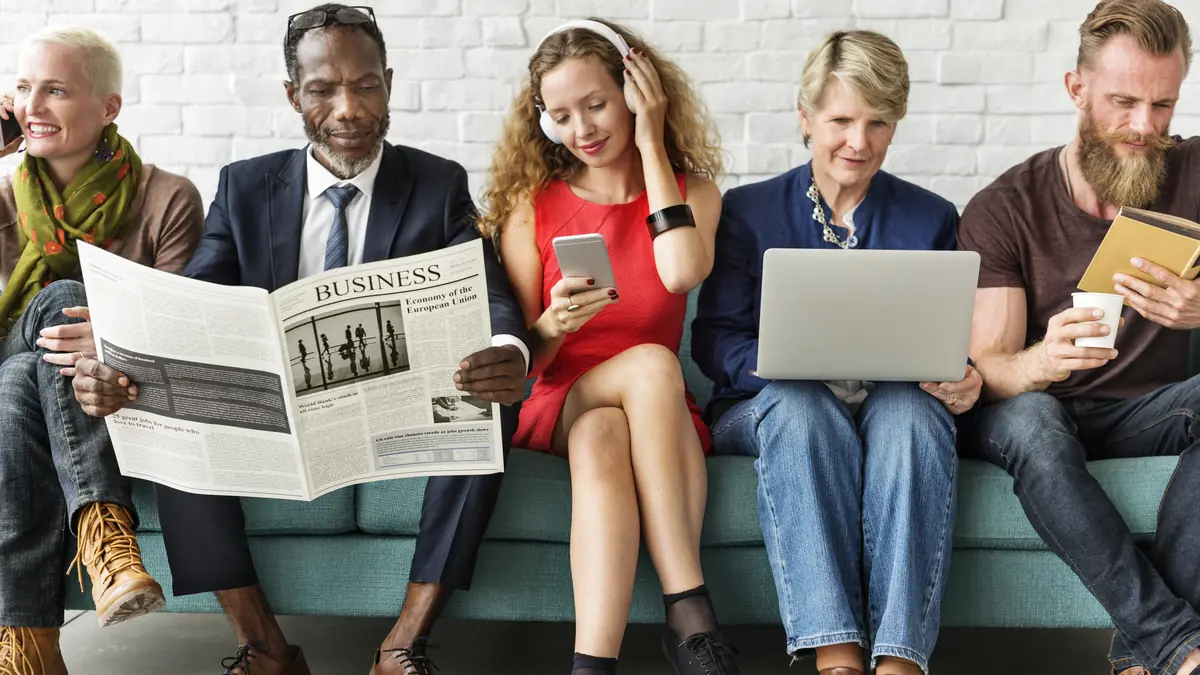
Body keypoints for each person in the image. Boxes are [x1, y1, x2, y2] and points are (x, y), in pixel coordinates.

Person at [69, 5, 530, 675]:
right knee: (179, 410)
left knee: (490, 402)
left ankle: (403, 642)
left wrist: (509, 352)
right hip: (276, 411)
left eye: (366, 85)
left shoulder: (437, 185)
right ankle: (266, 648)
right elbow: (190, 307)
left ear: (389, 84)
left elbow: (491, 292)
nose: (349, 109)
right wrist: (114, 365)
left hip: (394, 408)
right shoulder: (244, 186)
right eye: (323, 90)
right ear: (293, 96)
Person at [692, 30, 981, 675]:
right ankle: (837, 653)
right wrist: (779, 364)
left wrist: (965, 376)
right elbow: (713, 339)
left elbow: (951, 338)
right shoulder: (748, 211)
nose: (859, 141)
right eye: (841, 121)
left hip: (890, 400)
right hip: (770, 404)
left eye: (878, 123)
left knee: (914, 415)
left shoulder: (931, 217)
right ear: (805, 118)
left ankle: (900, 658)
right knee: (802, 406)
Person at [479, 18, 737, 675]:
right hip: (559, 397)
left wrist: (651, 140)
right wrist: (553, 324)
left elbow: (681, 272)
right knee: (650, 363)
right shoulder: (531, 206)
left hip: (653, 414)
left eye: (596, 104)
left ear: (635, 92)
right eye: (561, 116)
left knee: (605, 433)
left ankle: (591, 666)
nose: (582, 130)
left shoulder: (695, 194)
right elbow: (521, 363)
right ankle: (691, 612)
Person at [959, 1, 1200, 674]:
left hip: (1146, 412)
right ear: (1076, 88)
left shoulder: (1194, 171)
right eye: (1124, 102)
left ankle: (1142, 657)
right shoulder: (1006, 207)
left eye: (1163, 105)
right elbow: (987, 372)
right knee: (1033, 420)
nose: (1145, 126)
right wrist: (1041, 360)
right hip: (1036, 409)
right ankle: (1176, 644)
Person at [0, 26, 204, 675]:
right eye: (23, 89)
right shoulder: (4, 199)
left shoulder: (167, 197)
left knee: (21, 380)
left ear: (109, 106)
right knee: (61, 298)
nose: (32, 106)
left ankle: (28, 647)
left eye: (56, 90)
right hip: (22, 348)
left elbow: (181, 327)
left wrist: (116, 339)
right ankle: (108, 540)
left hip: (119, 390)